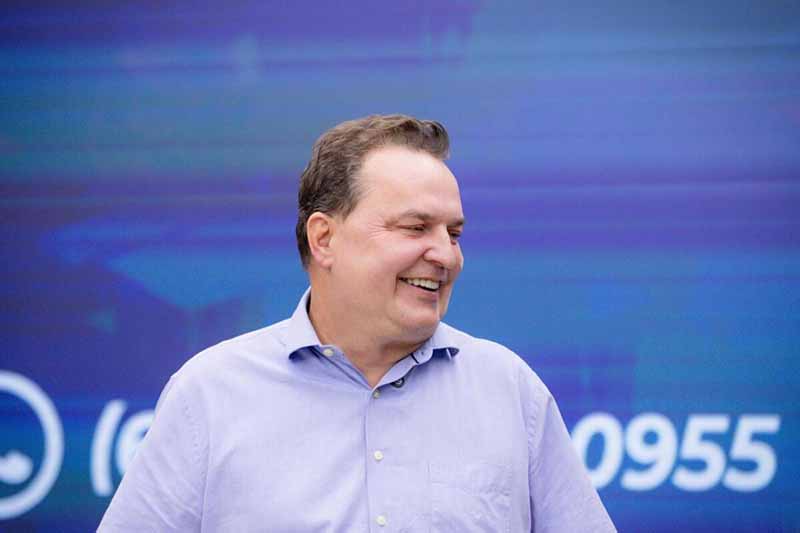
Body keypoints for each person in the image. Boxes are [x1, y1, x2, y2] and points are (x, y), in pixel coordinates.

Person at [99, 114, 615, 532]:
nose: (446, 255)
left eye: (453, 233)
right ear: (324, 239)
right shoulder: (210, 395)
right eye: (416, 227)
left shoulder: (510, 391)